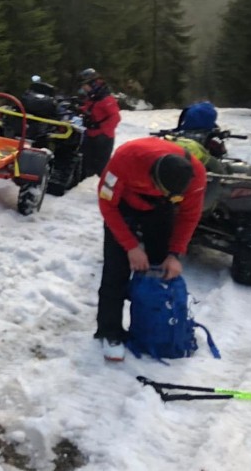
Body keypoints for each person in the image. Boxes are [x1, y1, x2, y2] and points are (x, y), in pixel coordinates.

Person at [94, 137, 207, 361]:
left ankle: (151, 328)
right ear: (152, 177)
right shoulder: (126, 159)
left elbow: (189, 215)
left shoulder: (196, 175)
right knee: (115, 272)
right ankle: (110, 331)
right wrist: (131, 246)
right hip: (122, 206)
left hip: (160, 211)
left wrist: (175, 254)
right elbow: (106, 203)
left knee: (159, 269)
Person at [77, 68, 121, 179]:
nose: (83, 88)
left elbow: (115, 117)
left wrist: (102, 131)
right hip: (91, 134)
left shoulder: (106, 99)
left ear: (92, 84)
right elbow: (90, 108)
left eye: (85, 85)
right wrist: (79, 109)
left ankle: (110, 190)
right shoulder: (93, 97)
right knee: (85, 162)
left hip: (103, 137)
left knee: (102, 167)